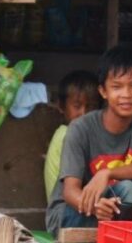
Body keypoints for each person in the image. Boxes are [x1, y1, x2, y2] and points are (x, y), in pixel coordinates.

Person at [45, 46, 132, 236]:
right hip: (73, 212)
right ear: (103, 91)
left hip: (118, 207)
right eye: (117, 86)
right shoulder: (80, 127)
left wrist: (107, 173)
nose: (126, 94)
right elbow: (70, 192)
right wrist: (96, 207)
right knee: (127, 189)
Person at [43, 70, 100, 202]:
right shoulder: (67, 135)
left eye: (91, 107)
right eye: (77, 106)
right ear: (61, 106)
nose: (84, 113)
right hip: (67, 209)